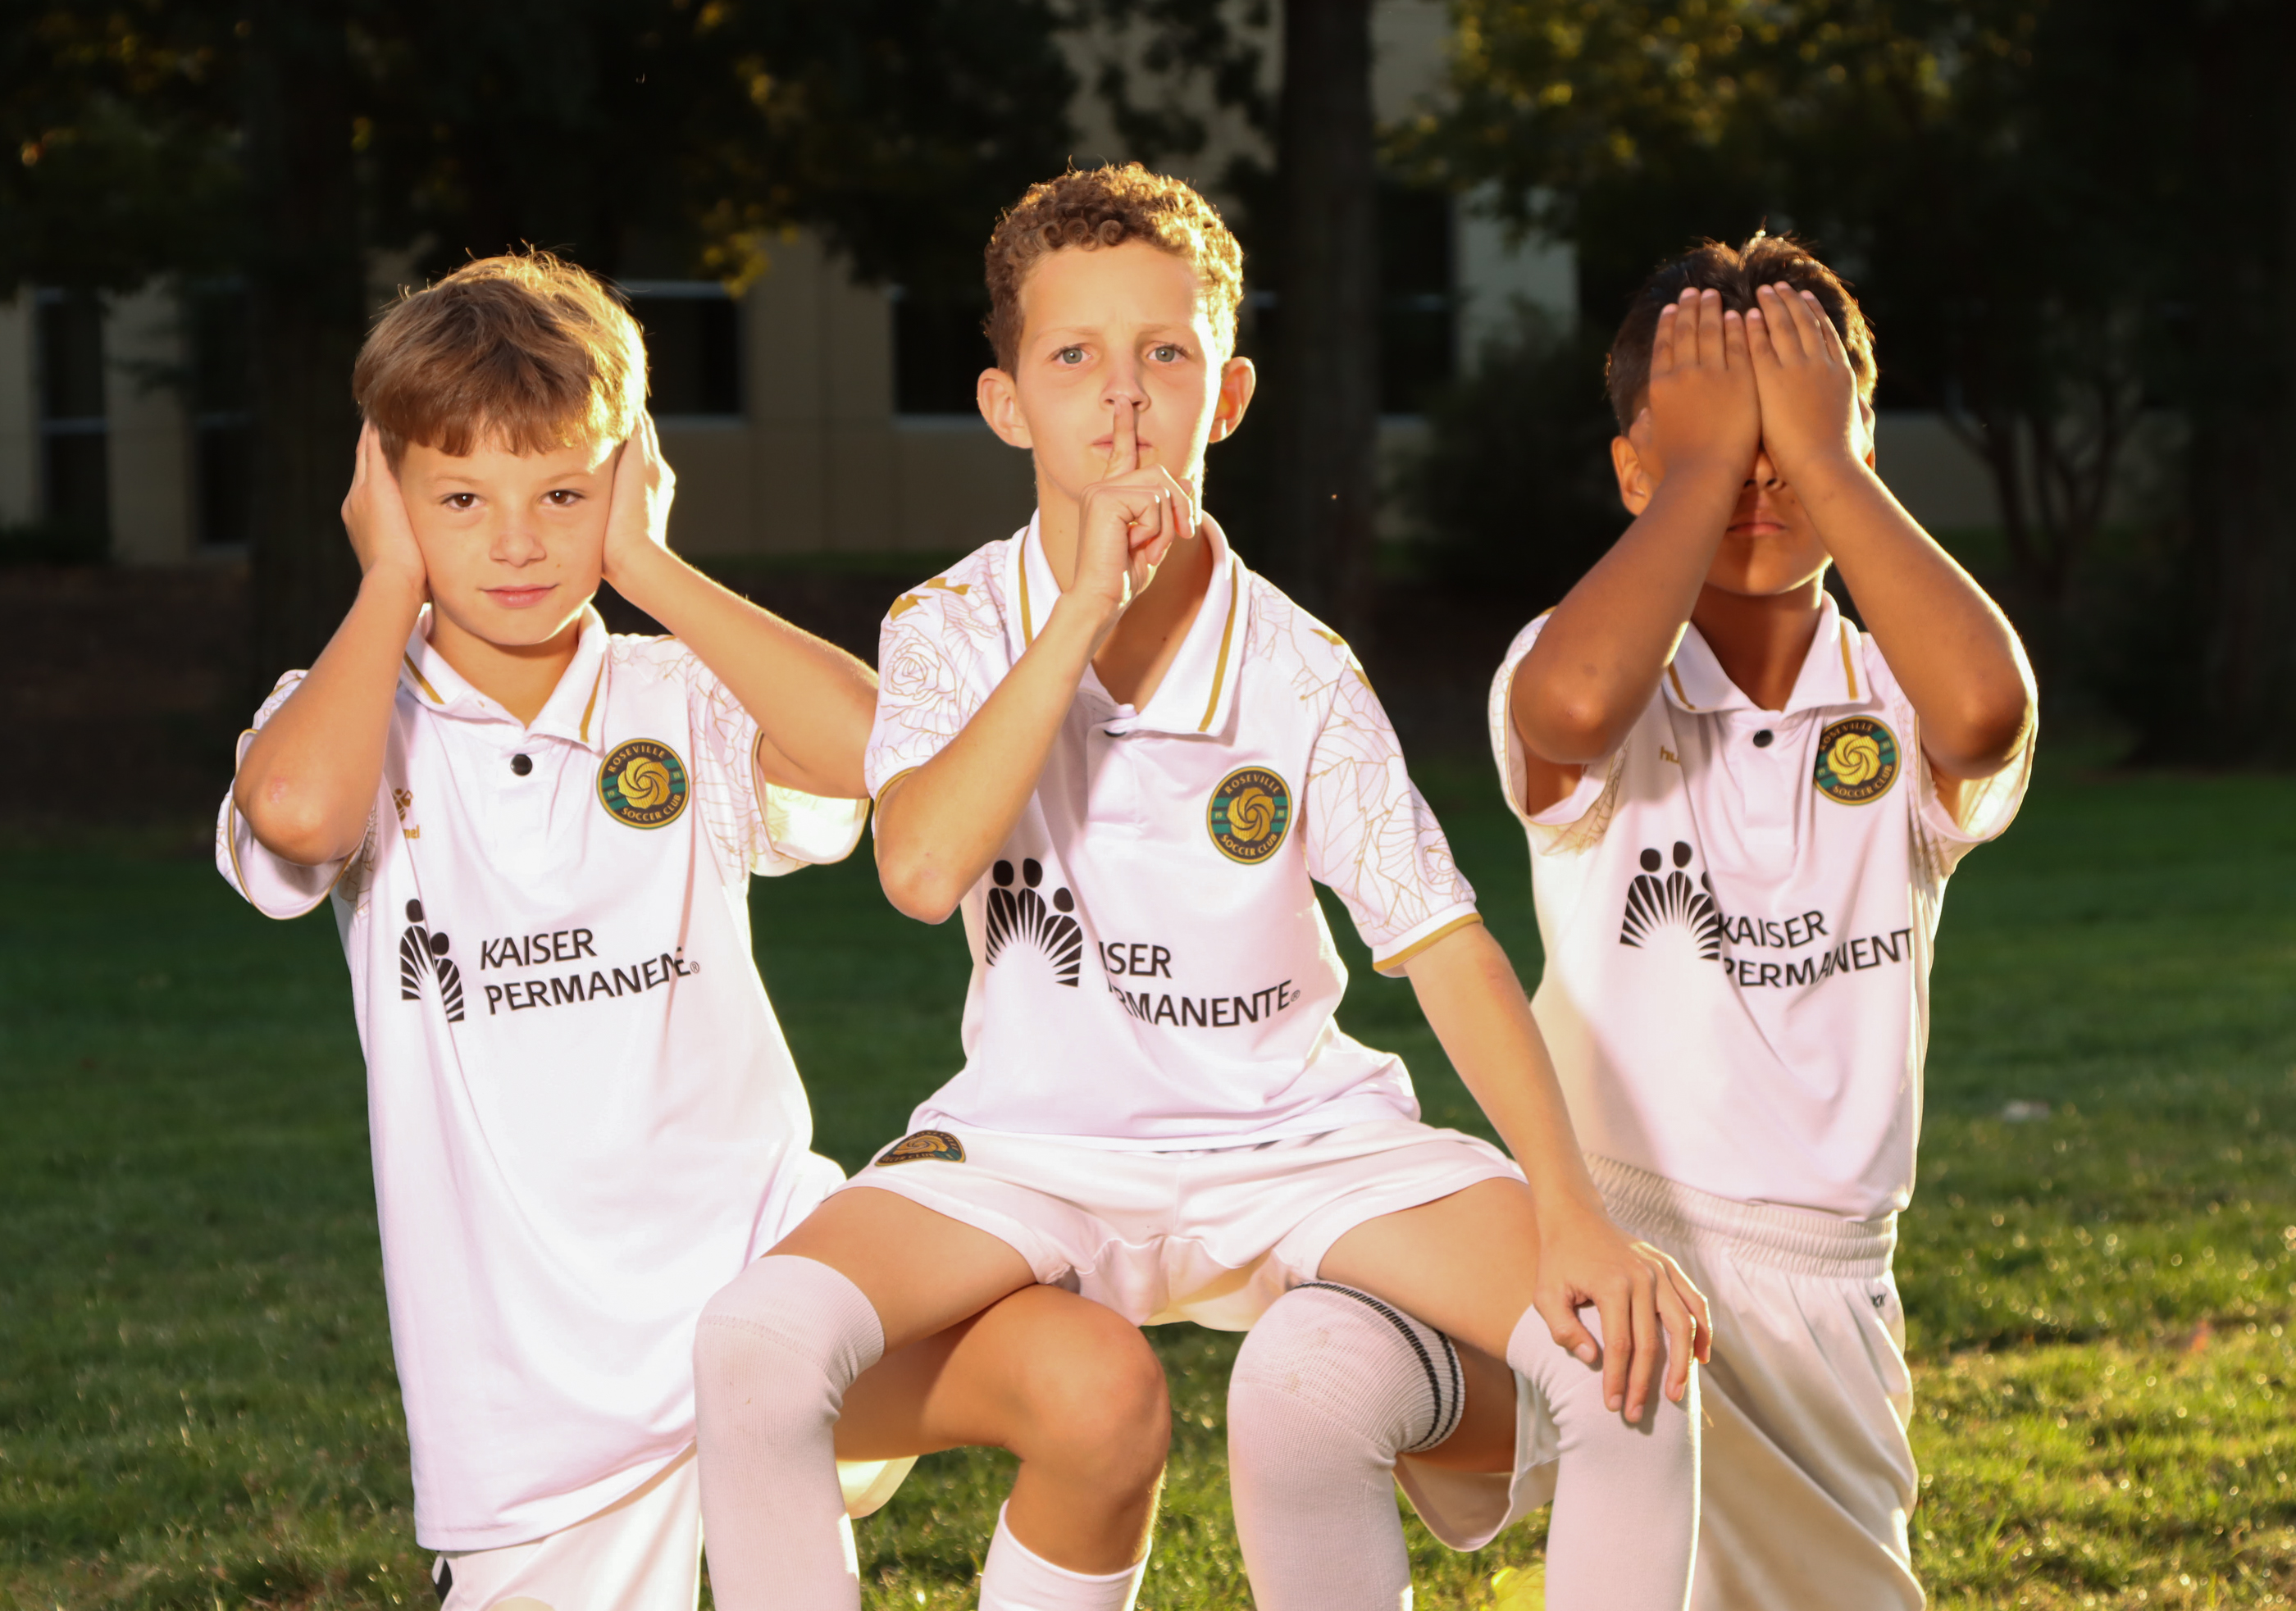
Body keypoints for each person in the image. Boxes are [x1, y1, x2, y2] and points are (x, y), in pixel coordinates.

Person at [691, 162, 1710, 1611]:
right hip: (1035, 1149)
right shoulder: (948, 626)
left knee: (1629, 1358)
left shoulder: (1302, 669)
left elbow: (1446, 947)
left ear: (1226, 396)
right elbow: (918, 868)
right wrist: (1081, 609)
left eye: (1163, 355)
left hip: (1299, 1142)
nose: (1121, 399)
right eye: (1074, 358)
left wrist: (1573, 1212)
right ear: (1006, 405)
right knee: (755, 1345)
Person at [218, 252, 1168, 1611]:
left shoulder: (683, 692)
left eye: (563, 495)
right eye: (461, 501)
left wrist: (648, 566)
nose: (517, 542)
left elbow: (875, 749)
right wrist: (384, 582)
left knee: (1097, 1386)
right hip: (540, 1408)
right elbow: (301, 815)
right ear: (387, 493)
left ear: (628, 476)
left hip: (771, 1286)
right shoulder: (353, 714)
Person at [1240, 233, 2037, 1608]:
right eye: (1714, 444)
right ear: (1633, 474)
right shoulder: (1581, 661)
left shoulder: (1898, 684)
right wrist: (1710, 465)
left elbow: (1986, 716)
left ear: (1856, 445)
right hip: (1584, 1241)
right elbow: (1572, 709)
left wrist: (1820, 458)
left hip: (1809, 1289)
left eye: (1789, 438)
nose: (1756, 475)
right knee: (1306, 1380)